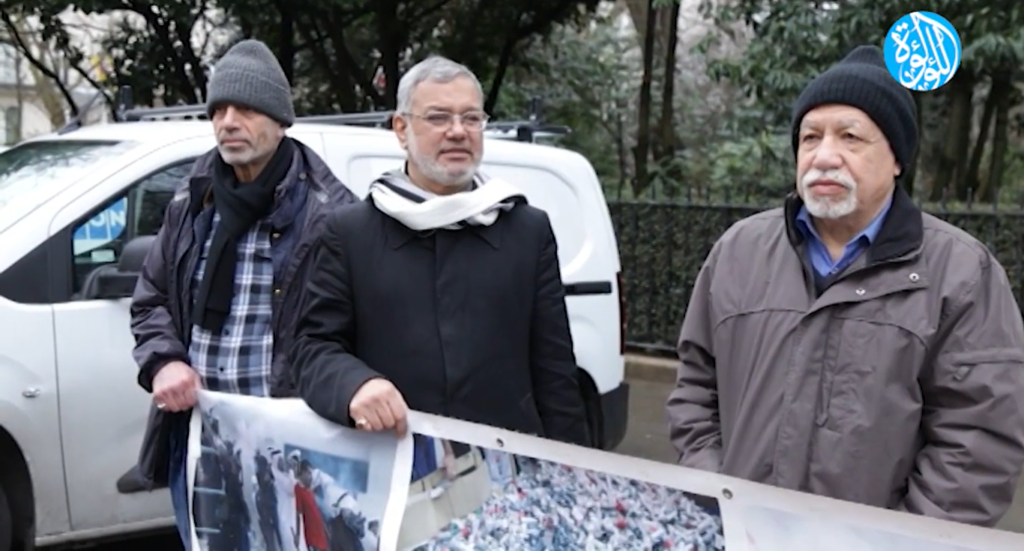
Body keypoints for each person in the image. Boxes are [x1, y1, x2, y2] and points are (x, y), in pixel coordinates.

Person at [665, 44, 1024, 528]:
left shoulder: (962, 275)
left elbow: (977, 440)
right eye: (810, 137)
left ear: (897, 158)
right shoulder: (738, 253)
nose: (824, 155)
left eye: (850, 137)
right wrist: (718, 495)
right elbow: (694, 391)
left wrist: (897, 541)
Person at [289, 55, 591, 448]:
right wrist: (355, 384)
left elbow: (555, 372)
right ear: (401, 128)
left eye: (471, 118)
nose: (457, 132)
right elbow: (313, 348)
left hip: (503, 471)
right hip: (393, 465)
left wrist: (573, 471)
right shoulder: (350, 232)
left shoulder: (526, 230)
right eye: (438, 117)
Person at [128, 38, 357, 548]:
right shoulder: (192, 201)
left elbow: (354, 332)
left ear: (280, 120)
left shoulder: (332, 215)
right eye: (219, 109)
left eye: (246, 108)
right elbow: (151, 300)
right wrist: (165, 361)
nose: (228, 121)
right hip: (202, 443)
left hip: (293, 449)